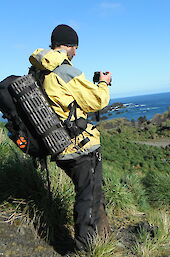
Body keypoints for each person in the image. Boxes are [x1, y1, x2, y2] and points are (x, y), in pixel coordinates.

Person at [29, 24, 111, 251]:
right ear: (70, 46)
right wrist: (103, 82)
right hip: (80, 146)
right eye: (75, 47)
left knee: (89, 194)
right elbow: (97, 101)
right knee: (89, 197)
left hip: (57, 144)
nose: (76, 52)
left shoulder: (38, 70)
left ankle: (101, 240)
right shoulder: (64, 71)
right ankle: (87, 248)